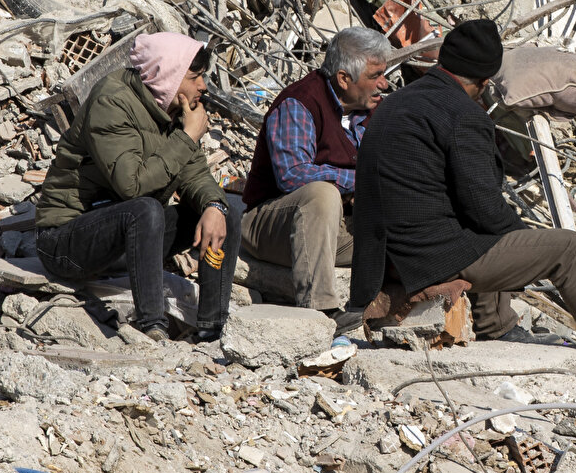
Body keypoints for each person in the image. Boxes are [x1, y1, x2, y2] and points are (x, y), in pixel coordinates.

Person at [349, 19, 576, 392]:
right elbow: (485, 209)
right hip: (425, 259)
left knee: (484, 231)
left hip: (380, 258)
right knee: (566, 249)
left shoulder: (397, 103)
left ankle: (497, 327)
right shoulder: (464, 115)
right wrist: (527, 249)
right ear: (485, 79)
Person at [35, 31, 239, 342]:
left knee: (226, 213)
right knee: (145, 209)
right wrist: (187, 137)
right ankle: (152, 329)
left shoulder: (172, 110)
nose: (203, 86)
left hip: (127, 240)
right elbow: (132, 186)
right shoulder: (112, 101)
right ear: (166, 74)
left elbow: (196, 175)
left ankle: (211, 330)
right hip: (67, 242)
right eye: (195, 76)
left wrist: (213, 206)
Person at [240, 27, 392, 332]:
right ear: (343, 78)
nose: (383, 84)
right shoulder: (300, 103)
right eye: (375, 76)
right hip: (273, 224)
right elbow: (292, 174)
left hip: (336, 229)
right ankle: (320, 310)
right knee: (323, 194)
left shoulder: (372, 111)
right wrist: (358, 183)